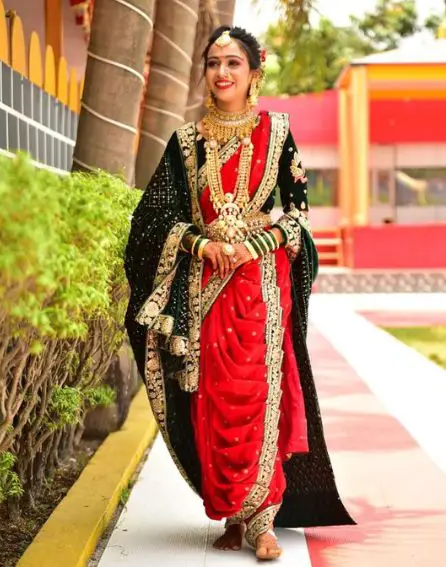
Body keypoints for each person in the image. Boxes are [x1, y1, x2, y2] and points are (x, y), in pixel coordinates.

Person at [125, 25, 354, 562]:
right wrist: (200, 243)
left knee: (258, 393)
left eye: (233, 63)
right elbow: (153, 219)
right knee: (213, 396)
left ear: (255, 72)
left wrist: (257, 243)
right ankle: (231, 508)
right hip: (205, 287)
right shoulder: (185, 142)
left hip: (260, 287)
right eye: (213, 63)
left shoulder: (277, 132)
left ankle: (263, 517)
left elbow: (297, 215)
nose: (222, 72)